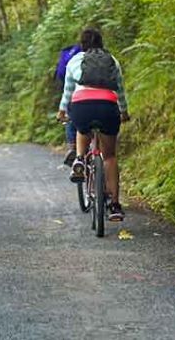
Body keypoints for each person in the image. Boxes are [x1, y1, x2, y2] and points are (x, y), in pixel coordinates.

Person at [56, 26, 130, 222]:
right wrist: (124, 112)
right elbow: (120, 90)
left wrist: (63, 110)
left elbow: (68, 92)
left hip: (82, 106)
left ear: (82, 45)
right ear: (101, 44)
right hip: (107, 106)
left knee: (81, 127)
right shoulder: (112, 60)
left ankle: (79, 159)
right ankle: (114, 205)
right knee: (110, 156)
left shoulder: (74, 60)